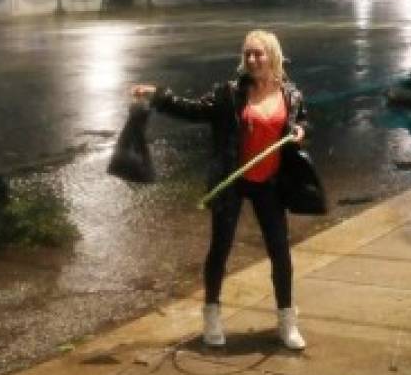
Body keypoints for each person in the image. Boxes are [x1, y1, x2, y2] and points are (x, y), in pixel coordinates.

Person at [132, 29, 319, 351]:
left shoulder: (291, 94)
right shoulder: (229, 94)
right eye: (247, 54)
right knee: (220, 250)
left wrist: (302, 130)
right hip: (232, 180)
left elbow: (304, 122)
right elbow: (192, 109)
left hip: (270, 183)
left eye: (258, 53)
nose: (251, 59)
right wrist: (157, 96)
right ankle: (212, 318)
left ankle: (287, 322)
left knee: (280, 252)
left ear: (272, 55)